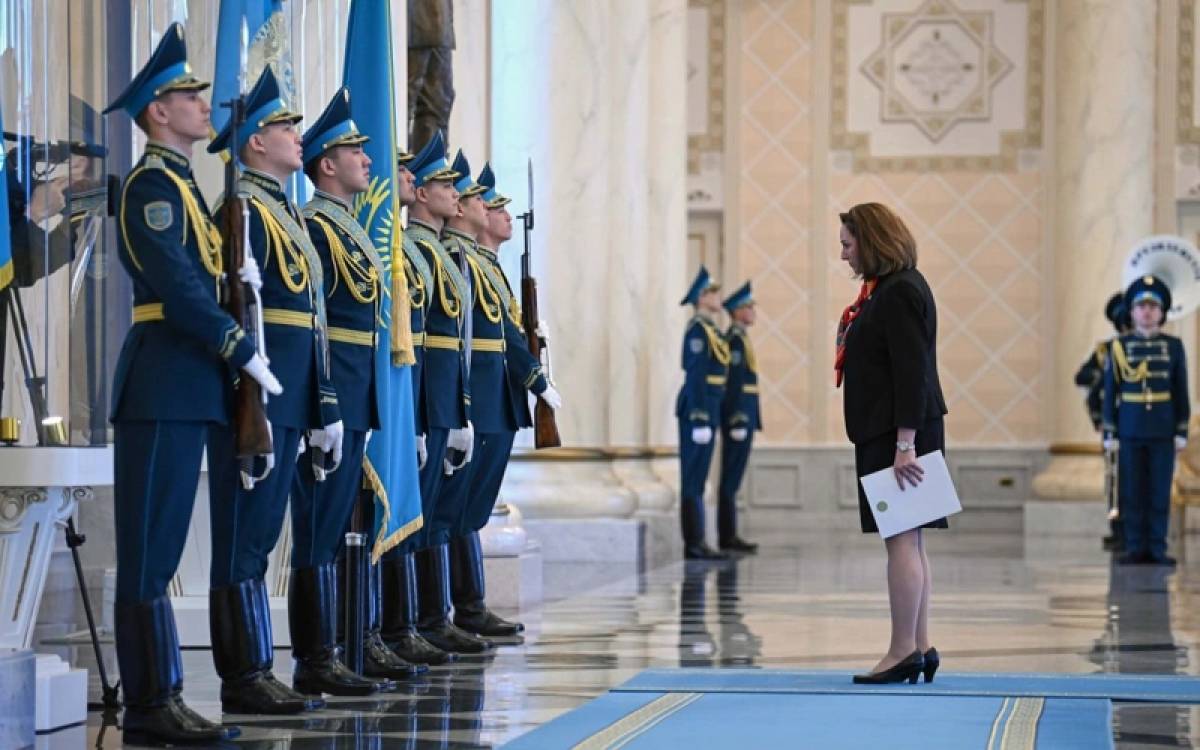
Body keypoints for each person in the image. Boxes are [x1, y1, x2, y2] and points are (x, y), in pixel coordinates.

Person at [103, 23, 277, 744]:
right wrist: (238, 346)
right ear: (157, 112)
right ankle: (150, 703)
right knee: (150, 549)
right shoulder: (151, 187)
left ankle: (164, 694)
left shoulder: (185, 188)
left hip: (190, 384)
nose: (204, 106)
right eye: (188, 97)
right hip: (162, 383)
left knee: (167, 545)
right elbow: (177, 287)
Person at [205, 68, 341, 714]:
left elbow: (309, 318)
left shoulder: (282, 211)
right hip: (255, 397)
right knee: (243, 535)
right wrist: (244, 393)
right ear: (256, 141)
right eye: (286, 126)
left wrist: (322, 402)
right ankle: (243, 674)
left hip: (288, 394)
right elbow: (234, 307)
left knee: (261, 537)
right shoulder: (243, 210)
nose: (297, 136)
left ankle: (260, 666)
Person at [292, 88, 418, 696]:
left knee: (345, 525)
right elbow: (316, 320)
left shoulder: (352, 231)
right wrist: (324, 404)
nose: (369, 161)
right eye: (355, 152)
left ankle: (343, 644)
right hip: (331, 394)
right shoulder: (315, 227)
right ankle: (315, 658)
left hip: (358, 392)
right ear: (326, 165)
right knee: (318, 529)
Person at [448, 162, 561, 640]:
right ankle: (462, 609)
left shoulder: (486, 266)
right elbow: (496, 338)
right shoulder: (463, 260)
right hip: (480, 398)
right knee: (459, 511)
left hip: (497, 399)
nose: (503, 215)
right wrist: (535, 377)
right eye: (491, 205)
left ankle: (469, 606)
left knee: (472, 511)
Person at [836, 202, 947, 685]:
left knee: (901, 541)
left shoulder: (899, 292)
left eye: (847, 244)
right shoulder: (892, 288)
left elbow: (910, 371)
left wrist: (905, 444)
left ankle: (902, 650)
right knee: (911, 541)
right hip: (899, 430)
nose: (843, 255)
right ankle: (920, 645)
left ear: (871, 240)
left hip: (897, 435)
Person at [1102, 275, 1189, 567]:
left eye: (1153, 306)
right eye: (1141, 307)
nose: (1147, 312)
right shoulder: (1119, 347)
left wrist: (1181, 429)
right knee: (1132, 491)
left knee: (1159, 491)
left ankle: (1157, 547)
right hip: (1130, 427)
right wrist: (1110, 431)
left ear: (1162, 313)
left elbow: (1180, 390)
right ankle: (1135, 546)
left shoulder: (1173, 346)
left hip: (1162, 428)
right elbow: (1111, 392)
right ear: (1132, 312)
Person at [676, 266, 729, 560]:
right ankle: (693, 543)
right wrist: (698, 416)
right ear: (701, 297)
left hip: (710, 407)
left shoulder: (710, 330)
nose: (719, 297)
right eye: (713, 293)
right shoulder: (698, 330)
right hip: (698, 409)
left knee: (699, 477)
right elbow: (695, 375)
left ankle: (698, 541)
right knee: (693, 478)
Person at [1075, 293, 1130, 550]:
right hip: (1114, 422)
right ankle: (1118, 529)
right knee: (1115, 478)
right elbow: (1082, 377)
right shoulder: (1106, 350)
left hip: (1141, 422)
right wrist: (1104, 379)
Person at [716, 281, 760, 554]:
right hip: (739, 418)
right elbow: (733, 385)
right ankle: (727, 535)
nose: (754, 311)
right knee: (730, 478)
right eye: (749, 307)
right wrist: (737, 418)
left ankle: (730, 534)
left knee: (734, 478)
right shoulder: (733, 340)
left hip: (746, 416)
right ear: (737, 311)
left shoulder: (741, 339)